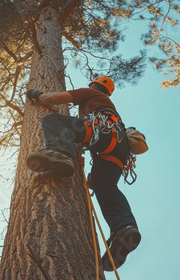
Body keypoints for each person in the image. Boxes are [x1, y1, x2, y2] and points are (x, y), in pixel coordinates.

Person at [25, 77, 141, 271]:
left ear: (95, 86)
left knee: (52, 120)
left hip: (102, 131)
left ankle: (60, 153)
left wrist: (37, 95)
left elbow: (55, 98)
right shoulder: (105, 101)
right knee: (105, 186)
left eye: (91, 84)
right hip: (118, 146)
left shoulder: (90, 93)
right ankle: (124, 227)